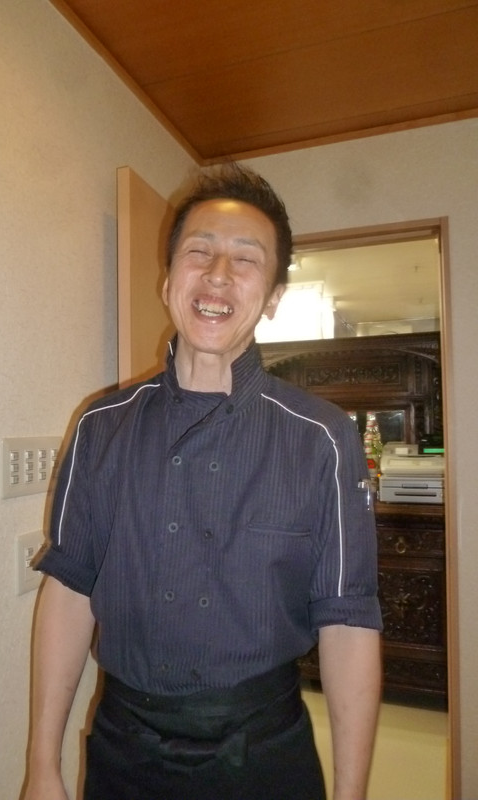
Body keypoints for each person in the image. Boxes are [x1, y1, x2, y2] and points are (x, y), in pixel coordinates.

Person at [20, 163, 382, 800]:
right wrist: (41, 765)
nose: (218, 274)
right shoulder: (100, 425)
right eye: (199, 251)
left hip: (263, 753)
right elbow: (69, 590)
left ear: (273, 297)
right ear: (167, 281)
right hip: (124, 749)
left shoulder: (322, 438)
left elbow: (348, 621)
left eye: (246, 259)